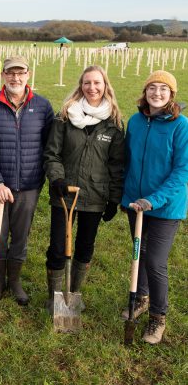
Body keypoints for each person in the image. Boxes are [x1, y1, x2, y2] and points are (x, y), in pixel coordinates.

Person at [43, 65, 124, 311]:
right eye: (87, 83)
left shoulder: (114, 123)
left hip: (96, 195)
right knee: (57, 248)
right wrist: (57, 179)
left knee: (85, 247)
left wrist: (114, 198)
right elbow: (52, 154)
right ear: (81, 86)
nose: (92, 88)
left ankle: (74, 294)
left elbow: (117, 164)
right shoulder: (65, 116)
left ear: (105, 86)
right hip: (64, 193)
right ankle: (56, 298)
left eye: (97, 83)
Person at [0, 56, 54, 306]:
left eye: (20, 73)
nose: (15, 78)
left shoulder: (42, 106)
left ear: (28, 75)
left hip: (29, 186)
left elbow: (49, 146)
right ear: (3, 75)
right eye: (10, 73)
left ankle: (15, 280)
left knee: (21, 236)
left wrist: (40, 179)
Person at [120, 70, 188, 344]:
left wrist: (154, 199)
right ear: (145, 91)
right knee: (141, 252)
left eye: (163, 89)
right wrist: (127, 198)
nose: (157, 93)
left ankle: (158, 317)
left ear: (172, 94)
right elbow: (128, 159)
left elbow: (182, 171)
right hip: (136, 204)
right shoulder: (136, 122)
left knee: (155, 261)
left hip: (165, 207)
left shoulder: (180, 125)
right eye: (152, 88)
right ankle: (142, 298)